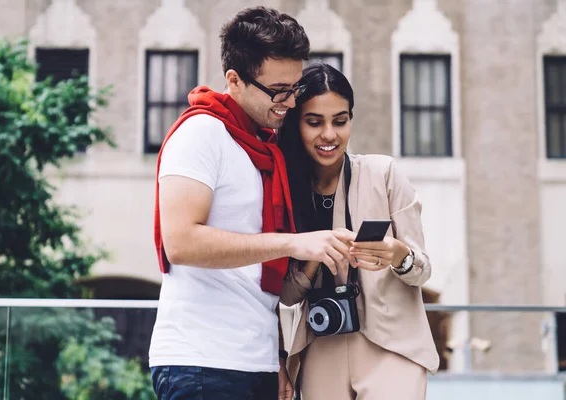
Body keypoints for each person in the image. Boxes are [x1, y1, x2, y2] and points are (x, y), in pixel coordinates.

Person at [149, 8, 357, 400]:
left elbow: (254, 283)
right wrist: (293, 243)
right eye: (278, 91)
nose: (290, 102)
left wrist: (276, 360)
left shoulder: (265, 148)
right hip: (201, 363)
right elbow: (181, 242)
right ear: (235, 80)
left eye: (294, 88)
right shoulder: (201, 134)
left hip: (255, 363)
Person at [278, 63, 440, 400]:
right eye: (314, 122)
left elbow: (422, 271)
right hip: (320, 344)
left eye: (340, 121)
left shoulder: (384, 173)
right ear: (296, 124)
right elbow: (287, 296)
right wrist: (314, 255)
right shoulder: (286, 189)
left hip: (393, 345)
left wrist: (398, 255)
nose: (329, 135)